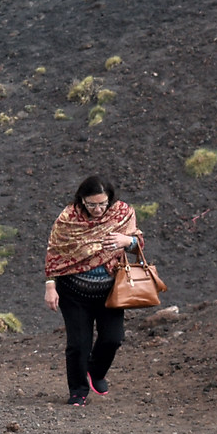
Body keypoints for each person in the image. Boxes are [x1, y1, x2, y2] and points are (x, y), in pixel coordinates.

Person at [43, 174, 145, 406]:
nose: (98, 209)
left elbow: (138, 242)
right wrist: (50, 286)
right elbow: (54, 251)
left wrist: (125, 242)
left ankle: (95, 372)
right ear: (82, 200)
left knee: (113, 338)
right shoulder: (68, 218)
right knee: (78, 344)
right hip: (73, 291)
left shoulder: (122, 213)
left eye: (102, 203)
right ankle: (78, 390)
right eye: (92, 204)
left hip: (110, 290)